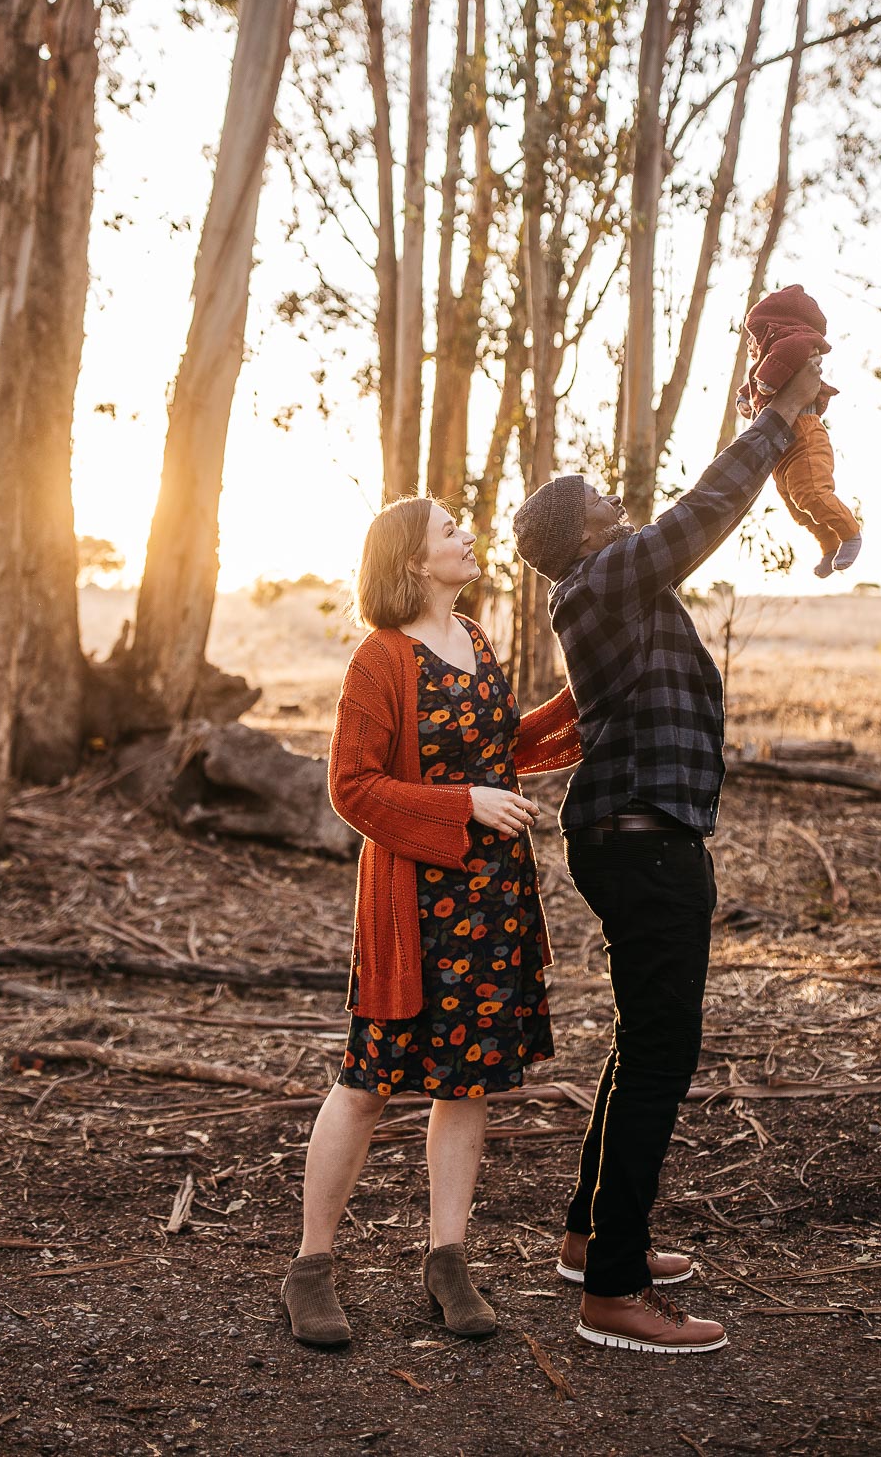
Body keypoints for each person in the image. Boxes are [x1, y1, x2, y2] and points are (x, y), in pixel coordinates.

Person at [512, 353, 823, 1356]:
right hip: (644, 838)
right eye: (603, 497)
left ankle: (590, 1236)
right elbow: (702, 511)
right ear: (586, 530)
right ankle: (614, 1288)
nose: (618, 500)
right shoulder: (606, 575)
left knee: (643, 1044)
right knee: (661, 1053)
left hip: (636, 833)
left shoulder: (612, 585)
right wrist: (777, 418)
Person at [281, 496, 581, 1348]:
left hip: (490, 901)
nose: (467, 536)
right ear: (413, 558)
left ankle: (447, 1259)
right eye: (449, 529)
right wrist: (464, 804)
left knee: (468, 1081)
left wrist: (583, 700)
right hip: (412, 910)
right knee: (369, 1083)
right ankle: (310, 1268)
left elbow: (502, 747)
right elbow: (353, 787)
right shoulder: (378, 661)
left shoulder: (476, 639)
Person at [736, 283, 862, 578]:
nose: (751, 344)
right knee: (796, 505)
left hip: (803, 436)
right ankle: (828, 544)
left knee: (812, 493)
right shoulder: (770, 357)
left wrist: (766, 381)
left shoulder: (797, 342)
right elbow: (756, 378)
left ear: (774, 326)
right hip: (780, 446)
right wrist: (746, 397)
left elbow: (781, 358)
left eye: (754, 336)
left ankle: (850, 532)